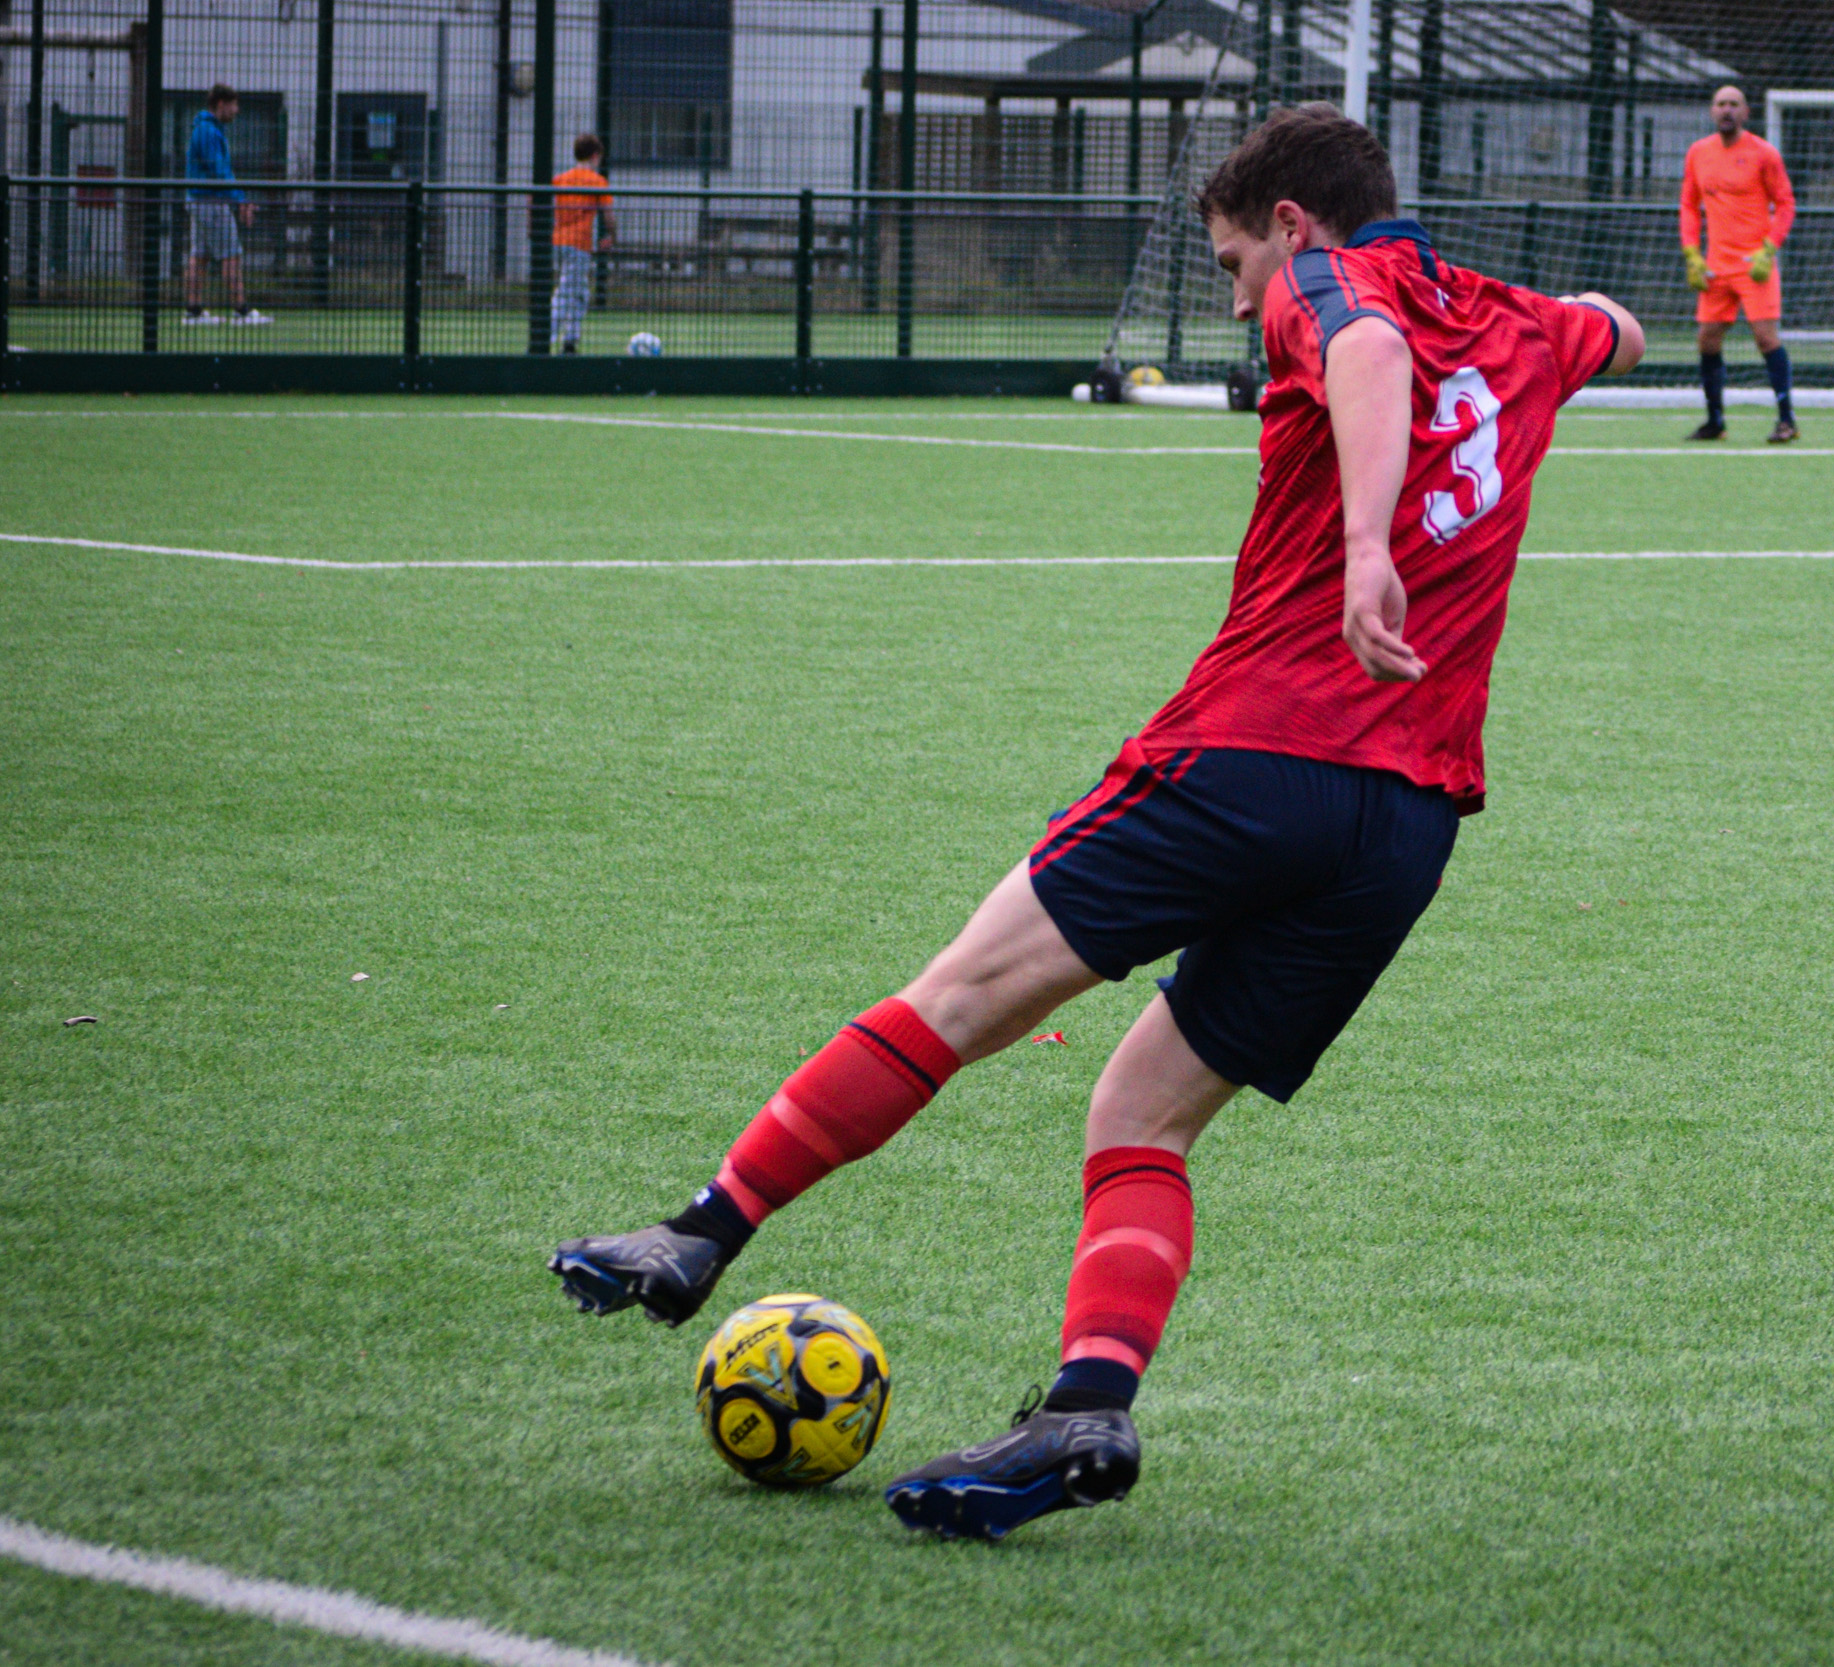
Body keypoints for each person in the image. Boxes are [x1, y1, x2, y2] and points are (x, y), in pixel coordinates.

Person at [548, 103, 1646, 1541]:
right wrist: (1548, 325)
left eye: (1235, 263)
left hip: (1254, 752)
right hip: (1408, 820)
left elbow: (1369, 350)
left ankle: (702, 1233)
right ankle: (1085, 1405)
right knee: (1142, 1110)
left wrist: (1369, 543)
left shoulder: (1337, 292)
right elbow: (1614, 325)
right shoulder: (1517, 325)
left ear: (1298, 230)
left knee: (963, 994)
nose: (1239, 295)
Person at [1680, 85, 1795, 442]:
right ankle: (1715, 422)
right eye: (1720, 104)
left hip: (1753, 264)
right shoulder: (1698, 153)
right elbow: (1688, 205)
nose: (1726, 110)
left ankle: (1786, 421)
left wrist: (1769, 250)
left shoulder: (1764, 153)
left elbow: (1786, 203)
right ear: (1712, 111)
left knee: (1765, 338)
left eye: (1734, 104)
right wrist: (1692, 254)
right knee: (1707, 341)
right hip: (1716, 266)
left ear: (1746, 112)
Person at [183, 86, 269, 327]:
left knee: (199, 256)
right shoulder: (209, 132)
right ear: (221, 104)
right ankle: (241, 311)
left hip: (199, 201)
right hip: (211, 203)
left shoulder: (204, 129)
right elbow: (220, 172)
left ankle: (193, 311)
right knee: (231, 254)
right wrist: (241, 200)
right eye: (234, 104)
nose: (237, 110)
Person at [550, 135, 615, 354]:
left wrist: (533, 228)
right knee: (566, 292)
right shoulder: (597, 181)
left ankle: (570, 341)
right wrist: (612, 235)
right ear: (595, 156)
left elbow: (534, 199)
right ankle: (546, 338)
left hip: (557, 241)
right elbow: (608, 215)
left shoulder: (561, 179)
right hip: (579, 244)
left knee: (579, 293)